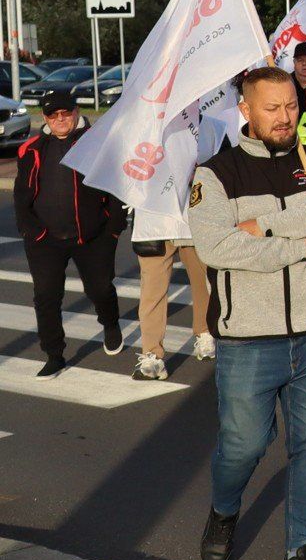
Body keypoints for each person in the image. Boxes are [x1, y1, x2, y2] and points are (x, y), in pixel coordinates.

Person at [190, 66, 306, 560]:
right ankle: (223, 512)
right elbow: (218, 248)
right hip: (248, 339)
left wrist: (264, 223)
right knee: (242, 445)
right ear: (246, 111)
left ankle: (299, 548)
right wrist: (301, 244)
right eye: (272, 108)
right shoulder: (214, 174)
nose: (285, 117)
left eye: (291, 106)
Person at [17, 89, 126, 378]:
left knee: (100, 288)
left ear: (76, 113)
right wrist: (31, 230)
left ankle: (111, 322)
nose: (60, 119)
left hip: (91, 236)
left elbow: (115, 187)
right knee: (46, 296)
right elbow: (21, 196)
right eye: (54, 115)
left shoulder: (96, 143)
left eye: (66, 113)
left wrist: (113, 228)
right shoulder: (32, 149)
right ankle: (54, 353)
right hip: (45, 240)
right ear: (46, 118)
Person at [130, 206, 214, 381]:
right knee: (152, 290)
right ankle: (152, 355)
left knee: (202, 279)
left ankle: (205, 332)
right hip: (153, 221)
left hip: (190, 214)